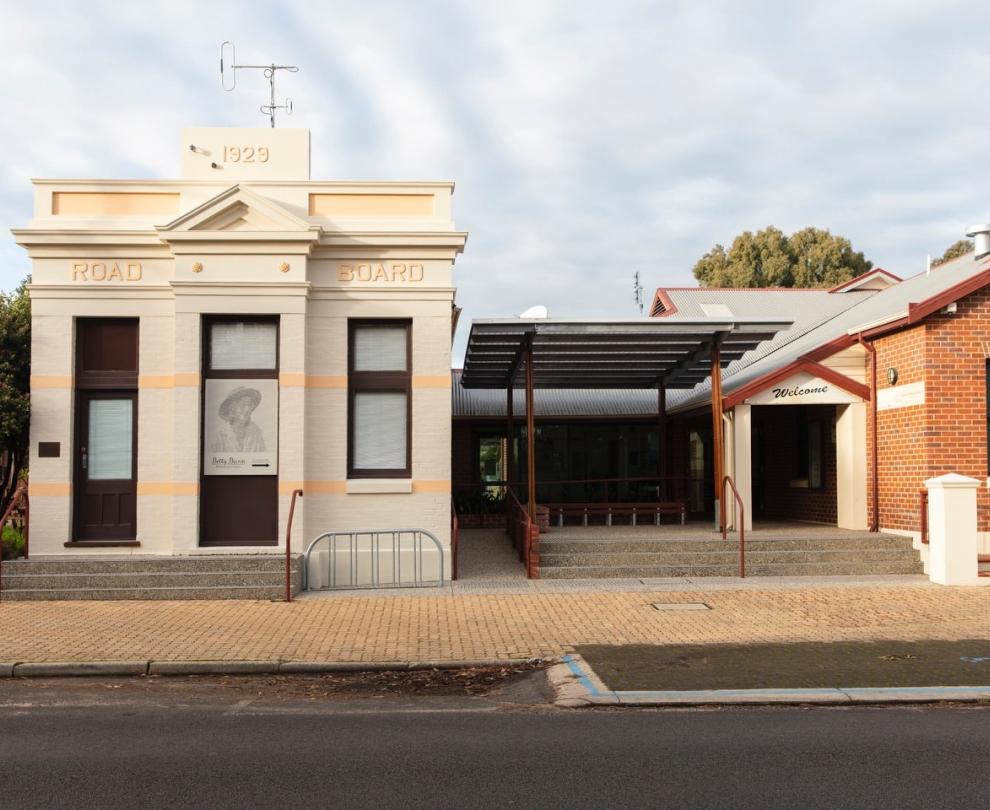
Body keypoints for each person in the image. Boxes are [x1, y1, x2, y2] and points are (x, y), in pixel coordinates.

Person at [210, 386, 266, 452]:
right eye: (242, 405)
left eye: (249, 405)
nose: (247, 409)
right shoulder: (220, 434)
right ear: (232, 408)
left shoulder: (256, 432)